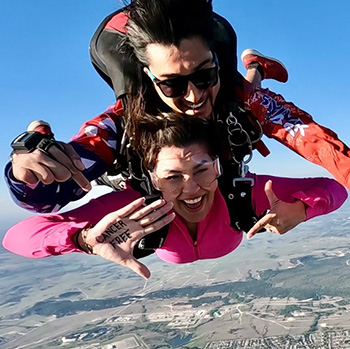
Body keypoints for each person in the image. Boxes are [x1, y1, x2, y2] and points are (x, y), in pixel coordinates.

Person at [5, 0, 350, 218]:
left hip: (233, 99)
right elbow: (48, 198)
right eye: (172, 84)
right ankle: (254, 66)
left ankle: (252, 68)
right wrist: (27, 169)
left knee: (245, 110)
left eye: (204, 75)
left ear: (216, 61)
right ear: (149, 78)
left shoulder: (237, 94)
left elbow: (317, 142)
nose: (193, 95)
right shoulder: (123, 122)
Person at [3, 114, 347, 279]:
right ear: (151, 179)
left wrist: (302, 209)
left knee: (243, 98)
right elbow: (16, 237)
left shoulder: (240, 191)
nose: (191, 189)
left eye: (201, 170)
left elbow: (333, 187)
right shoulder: (135, 204)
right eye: (171, 178)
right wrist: (82, 239)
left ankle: (254, 70)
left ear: (217, 167)